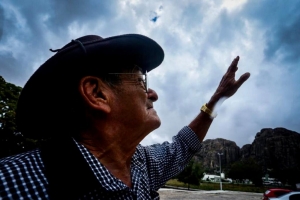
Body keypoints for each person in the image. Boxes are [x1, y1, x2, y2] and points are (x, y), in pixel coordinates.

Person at [0, 34, 250, 199]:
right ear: (97, 94)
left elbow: (183, 145)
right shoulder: (11, 184)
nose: (153, 93)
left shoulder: (142, 162)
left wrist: (218, 99)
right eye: (141, 81)